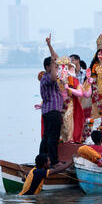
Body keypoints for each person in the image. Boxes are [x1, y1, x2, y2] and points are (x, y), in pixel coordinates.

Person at [39, 34, 63, 166]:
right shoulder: (47, 77)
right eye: (54, 66)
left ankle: (43, 160)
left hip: (49, 111)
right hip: (52, 111)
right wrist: (54, 63)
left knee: (47, 137)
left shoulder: (47, 75)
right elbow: (54, 77)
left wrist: (49, 45)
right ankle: (53, 161)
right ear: (48, 67)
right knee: (52, 137)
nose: (56, 68)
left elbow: (56, 58)